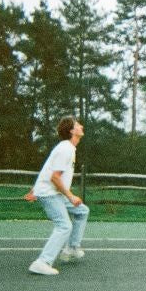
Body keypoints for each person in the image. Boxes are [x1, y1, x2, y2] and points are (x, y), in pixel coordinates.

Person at [25, 116, 90, 276]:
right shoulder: (66, 149)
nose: (81, 126)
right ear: (71, 131)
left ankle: (72, 248)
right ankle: (42, 262)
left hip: (53, 192)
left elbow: (47, 168)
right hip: (50, 193)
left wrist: (34, 189)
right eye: (77, 125)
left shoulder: (68, 148)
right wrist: (71, 196)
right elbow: (54, 176)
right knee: (64, 226)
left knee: (82, 211)